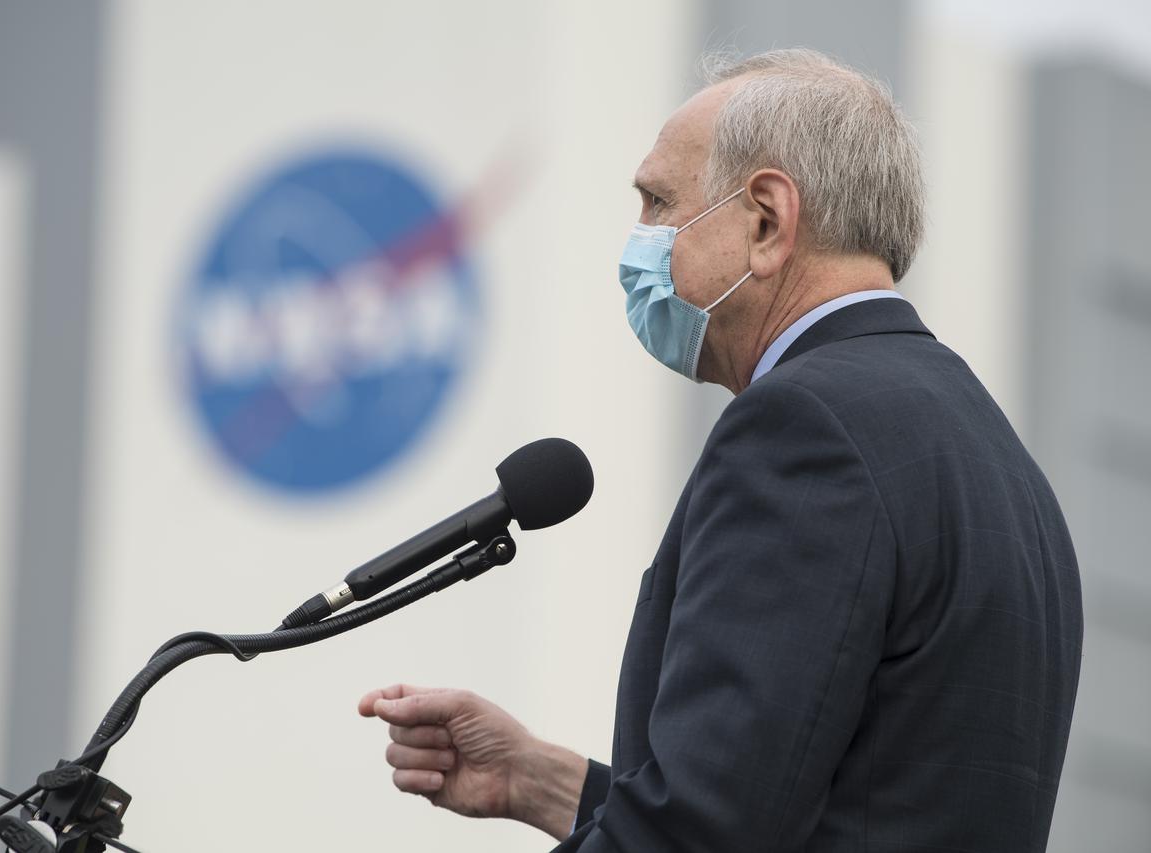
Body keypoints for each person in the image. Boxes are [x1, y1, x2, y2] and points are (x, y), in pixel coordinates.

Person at [358, 48, 1083, 851]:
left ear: (768, 220)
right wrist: (541, 779)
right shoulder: (990, 451)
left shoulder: (805, 428)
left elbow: (701, 834)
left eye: (659, 202)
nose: (639, 240)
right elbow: (821, 792)